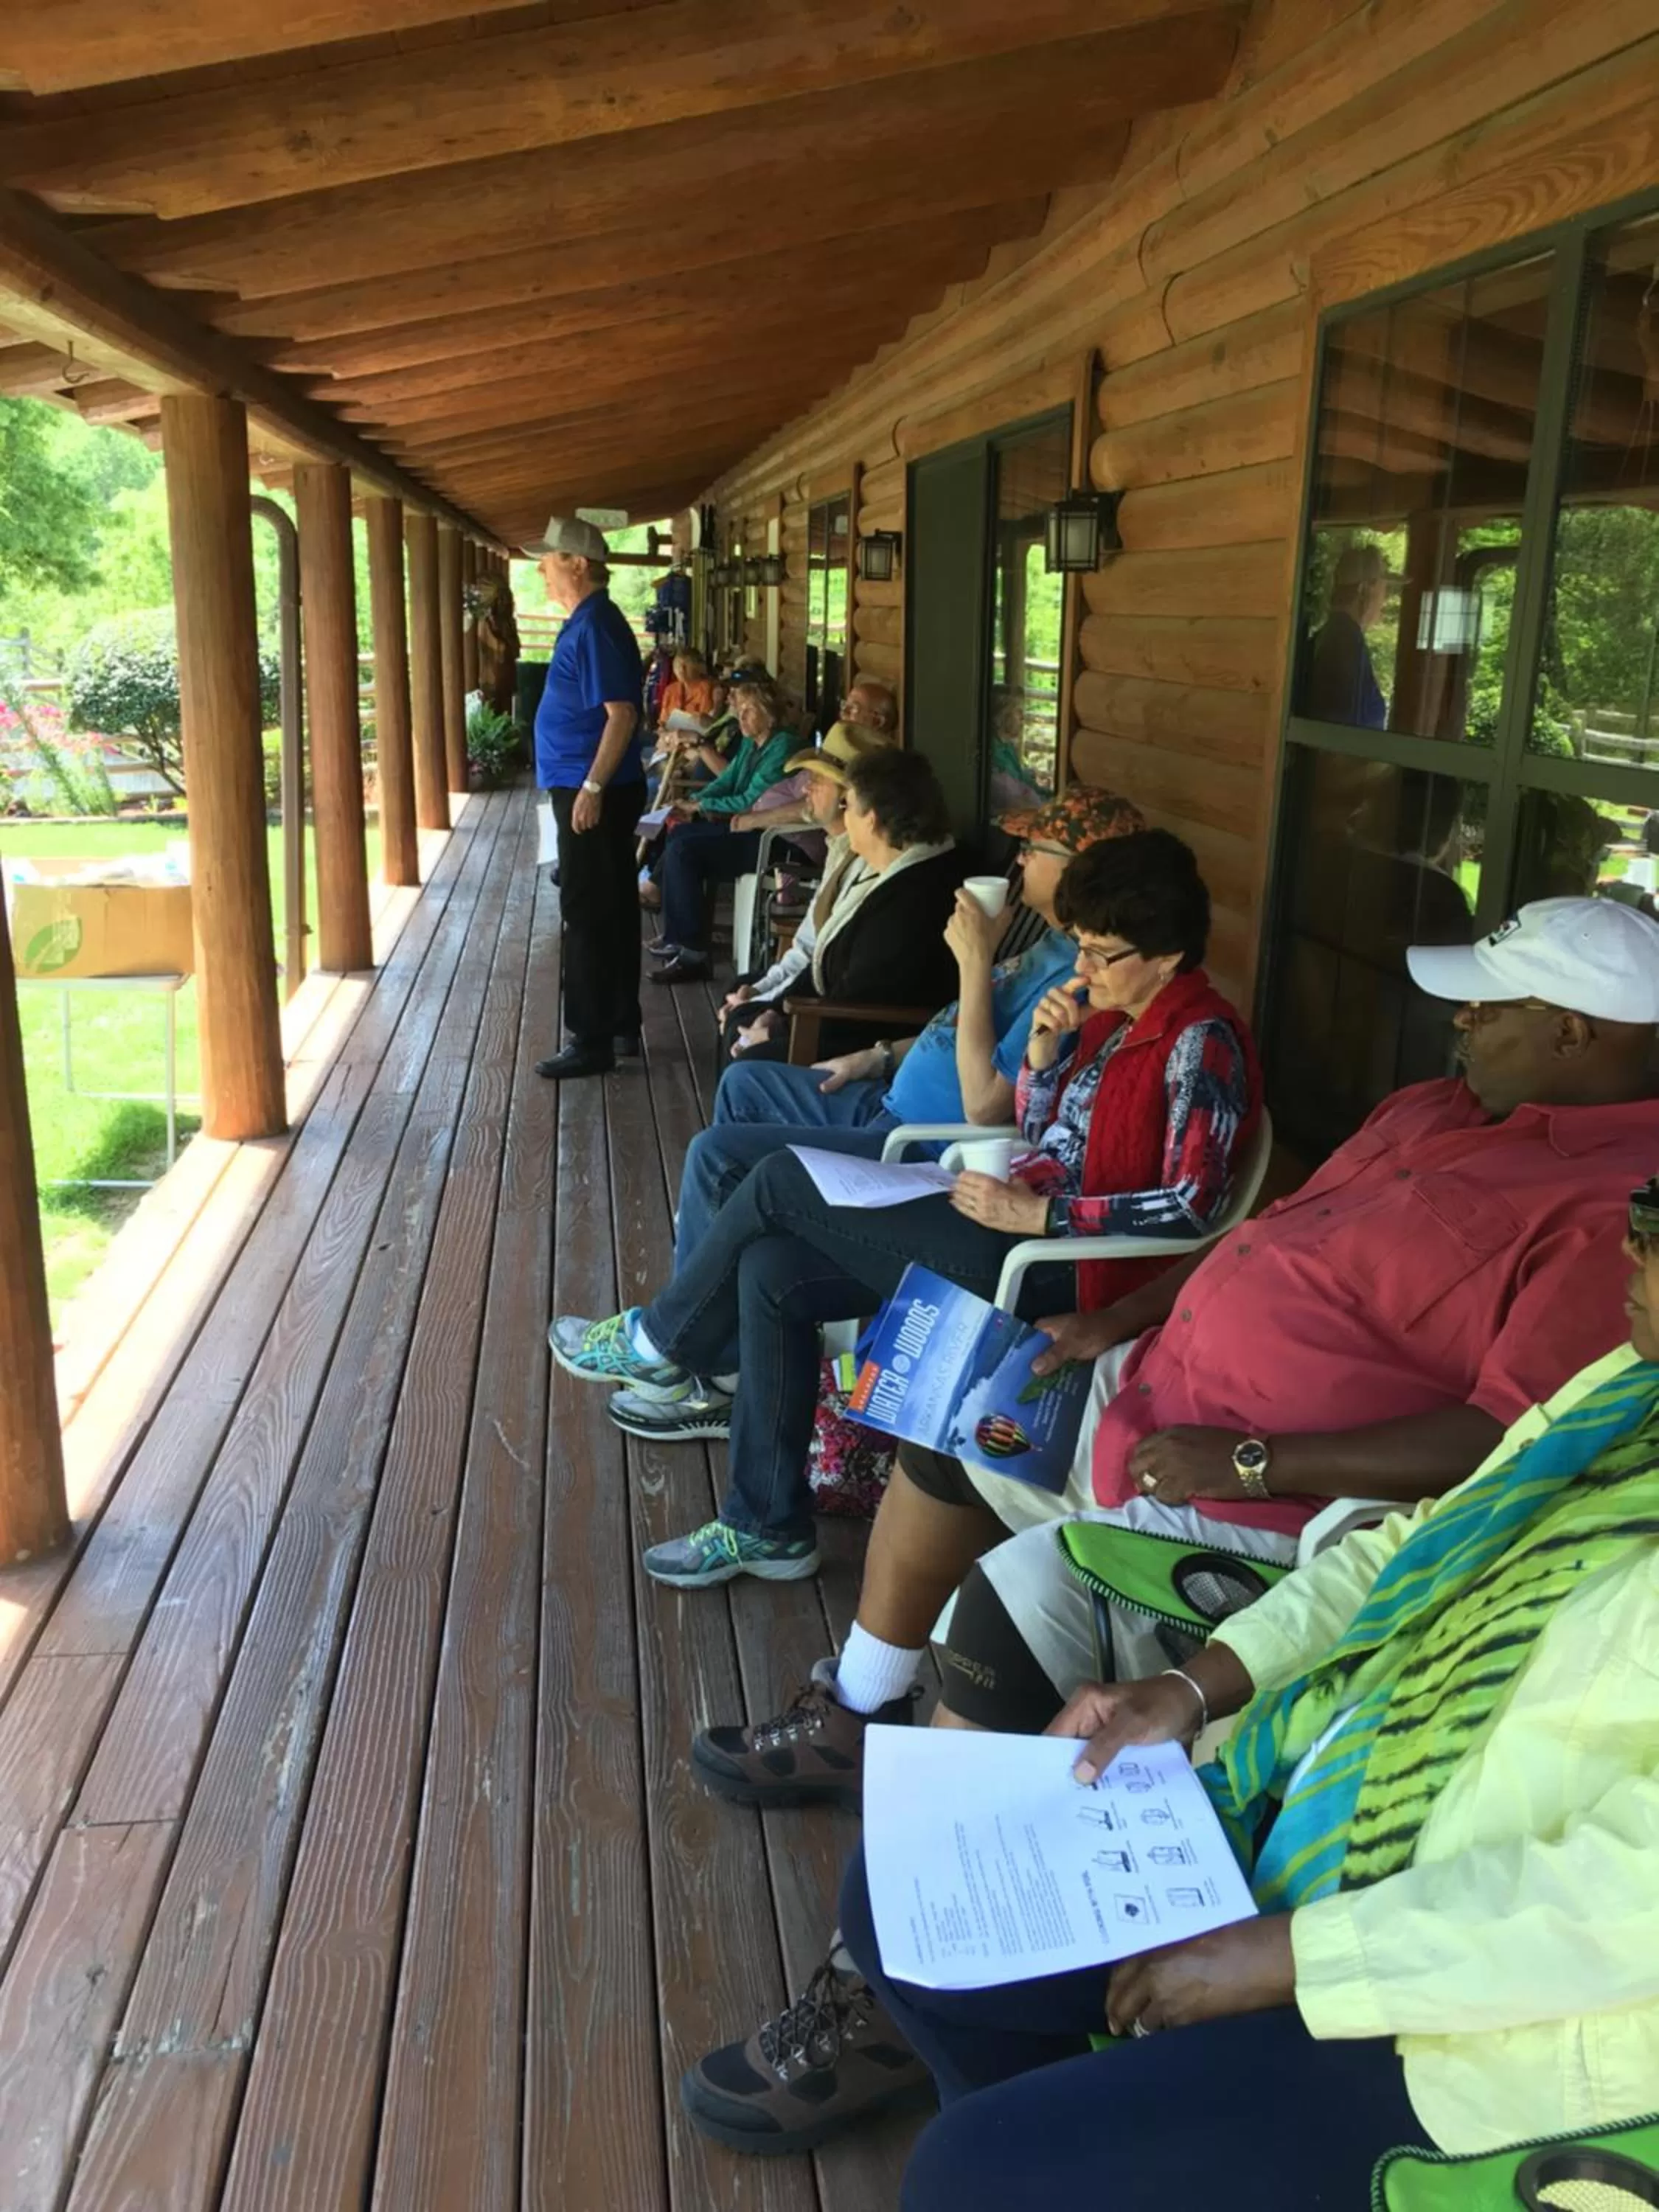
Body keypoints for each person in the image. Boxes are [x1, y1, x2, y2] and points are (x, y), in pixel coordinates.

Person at [675, 896, 1659, 2157]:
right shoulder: (1432, 1108)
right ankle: (862, 1708)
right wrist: (1112, 1320)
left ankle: (912, 1977)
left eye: (1492, 1004)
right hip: (1152, 1396)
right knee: (956, 1422)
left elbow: (1488, 1444)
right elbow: (1255, 1238)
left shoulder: (1608, 1216)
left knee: (1017, 1600)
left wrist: (1255, 1457)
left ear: (1578, 1033)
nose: (1462, 1019)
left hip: (1262, 1495)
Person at [823, 1197, 1659, 2208]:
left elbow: (1621, 1904)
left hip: (1500, 2028)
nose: (1632, 1241)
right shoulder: (1626, 1400)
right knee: (898, 1902)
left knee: (968, 2175)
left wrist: (1299, 1957)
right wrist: (1189, 1687)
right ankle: (1092, 2123)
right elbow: (1409, 1549)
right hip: (1323, 1817)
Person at [550, 830, 1259, 1589]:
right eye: (1080, 947)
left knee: (782, 1178)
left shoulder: (1202, 1041)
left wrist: (1042, 1220)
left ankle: (662, 1339)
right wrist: (1044, 1061)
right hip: (1000, 1216)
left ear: (1167, 956)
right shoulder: (1111, 1020)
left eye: (1101, 953)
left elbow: (1190, 1206)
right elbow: (1049, 1132)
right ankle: (766, 1526)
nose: (1082, 968)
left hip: (1056, 1265)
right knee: (771, 1269)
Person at [675, 785, 1147, 1262]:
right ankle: (719, 1245)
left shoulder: (1080, 979)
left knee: (716, 1153)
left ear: (1080, 870)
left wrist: (975, 961)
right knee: (744, 1083)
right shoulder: (1051, 943)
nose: (1020, 859)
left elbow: (985, 1105)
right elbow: (958, 1028)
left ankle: (711, 1266)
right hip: (887, 1100)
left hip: (915, 1147)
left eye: (1032, 848)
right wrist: (876, 1057)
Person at [717, 746, 960, 1058]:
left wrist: (779, 1028)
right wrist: (773, 1011)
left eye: (848, 805)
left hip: (870, 1042)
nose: (845, 817)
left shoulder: (911, 898)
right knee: (743, 1024)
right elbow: (825, 963)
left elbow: (861, 1001)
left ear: (871, 820)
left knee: (749, 1056)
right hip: (836, 1016)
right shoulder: (884, 872)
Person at [525, 514, 646, 1083]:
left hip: (593, 789)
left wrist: (592, 787)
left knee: (588, 912)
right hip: (593, 787)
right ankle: (619, 1022)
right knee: (612, 907)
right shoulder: (588, 620)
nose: (542, 572)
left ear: (577, 564)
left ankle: (590, 1039)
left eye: (549, 561)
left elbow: (622, 715)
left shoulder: (596, 624)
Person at [717, 720, 897, 1063]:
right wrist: (759, 992)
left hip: (836, 1018)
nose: (806, 788)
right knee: (738, 991)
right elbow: (805, 946)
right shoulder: (840, 849)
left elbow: (824, 966)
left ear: (847, 797)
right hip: (812, 990)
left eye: (818, 779)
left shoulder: (870, 863)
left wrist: (766, 1006)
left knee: (741, 1024)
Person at [648, 675, 799, 982]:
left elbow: (750, 800)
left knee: (686, 850)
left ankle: (694, 954)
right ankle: (678, 937)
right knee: (679, 835)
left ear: (770, 714)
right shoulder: (751, 743)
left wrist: (700, 807)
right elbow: (727, 782)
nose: (741, 717)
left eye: (749, 710)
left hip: (775, 840)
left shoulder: (782, 746)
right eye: (739, 709)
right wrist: (694, 801)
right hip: (747, 827)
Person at [1302, 540, 1390, 728]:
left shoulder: (1332, 635)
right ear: (1365, 590)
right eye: (1384, 589)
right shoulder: (1346, 645)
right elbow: (1338, 731)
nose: (1385, 600)